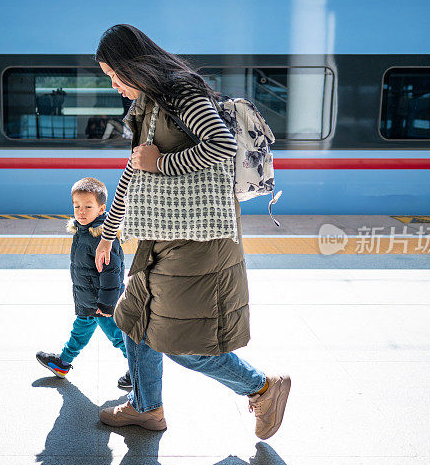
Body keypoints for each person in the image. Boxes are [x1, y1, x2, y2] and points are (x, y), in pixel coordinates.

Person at [93, 24, 291, 439]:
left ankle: (264, 388)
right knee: (134, 319)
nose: (113, 85)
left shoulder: (183, 94)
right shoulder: (148, 103)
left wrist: (161, 164)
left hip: (201, 241)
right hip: (164, 235)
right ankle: (147, 408)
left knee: (182, 343)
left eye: (114, 75)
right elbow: (135, 170)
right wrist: (109, 233)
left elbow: (220, 145)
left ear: (133, 65)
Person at [36, 177, 132, 391]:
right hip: (89, 298)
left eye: (88, 206)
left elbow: (112, 273)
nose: (81, 211)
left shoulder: (103, 237)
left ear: (101, 209)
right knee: (80, 331)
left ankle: (138, 370)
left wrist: (107, 304)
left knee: (117, 336)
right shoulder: (82, 231)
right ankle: (63, 362)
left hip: (103, 303)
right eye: (77, 206)